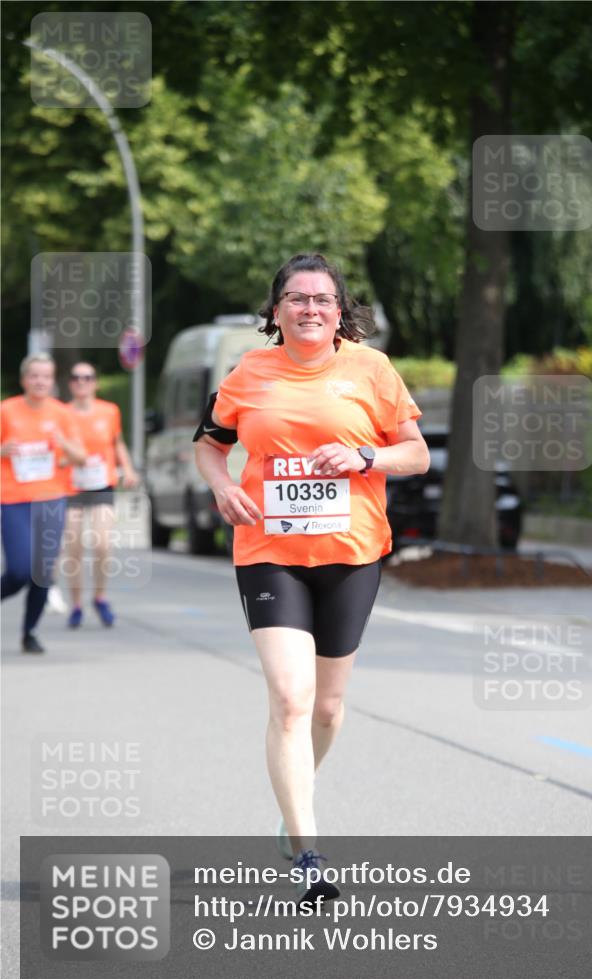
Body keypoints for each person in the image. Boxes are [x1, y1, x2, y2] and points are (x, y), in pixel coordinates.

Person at [194, 253, 429, 903]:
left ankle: (290, 800)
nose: (309, 309)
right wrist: (219, 486)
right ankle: (307, 849)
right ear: (275, 312)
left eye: (322, 300)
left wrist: (363, 454)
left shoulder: (370, 369)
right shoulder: (250, 372)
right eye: (295, 299)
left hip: (351, 552)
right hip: (268, 549)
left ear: (339, 311)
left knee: (326, 707)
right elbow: (209, 444)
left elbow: (415, 453)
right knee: (291, 698)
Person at [1, 353, 86, 653]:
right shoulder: (6, 411)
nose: (40, 381)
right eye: (34, 376)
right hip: (12, 500)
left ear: (52, 381)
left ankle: (30, 631)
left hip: (51, 499)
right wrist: (2, 450)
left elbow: (81, 456)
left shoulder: (62, 414)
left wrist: (62, 443)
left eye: (46, 376)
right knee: (21, 570)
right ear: (24, 379)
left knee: (43, 572)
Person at [63, 362, 139, 628]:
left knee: (102, 543)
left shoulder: (109, 411)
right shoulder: (63, 413)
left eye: (87, 377)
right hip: (71, 484)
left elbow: (116, 443)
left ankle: (99, 596)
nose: (81, 382)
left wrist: (128, 469)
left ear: (95, 382)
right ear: (70, 383)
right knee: (73, 546)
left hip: (101, 483)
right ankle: (75, 604)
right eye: (76, 378)